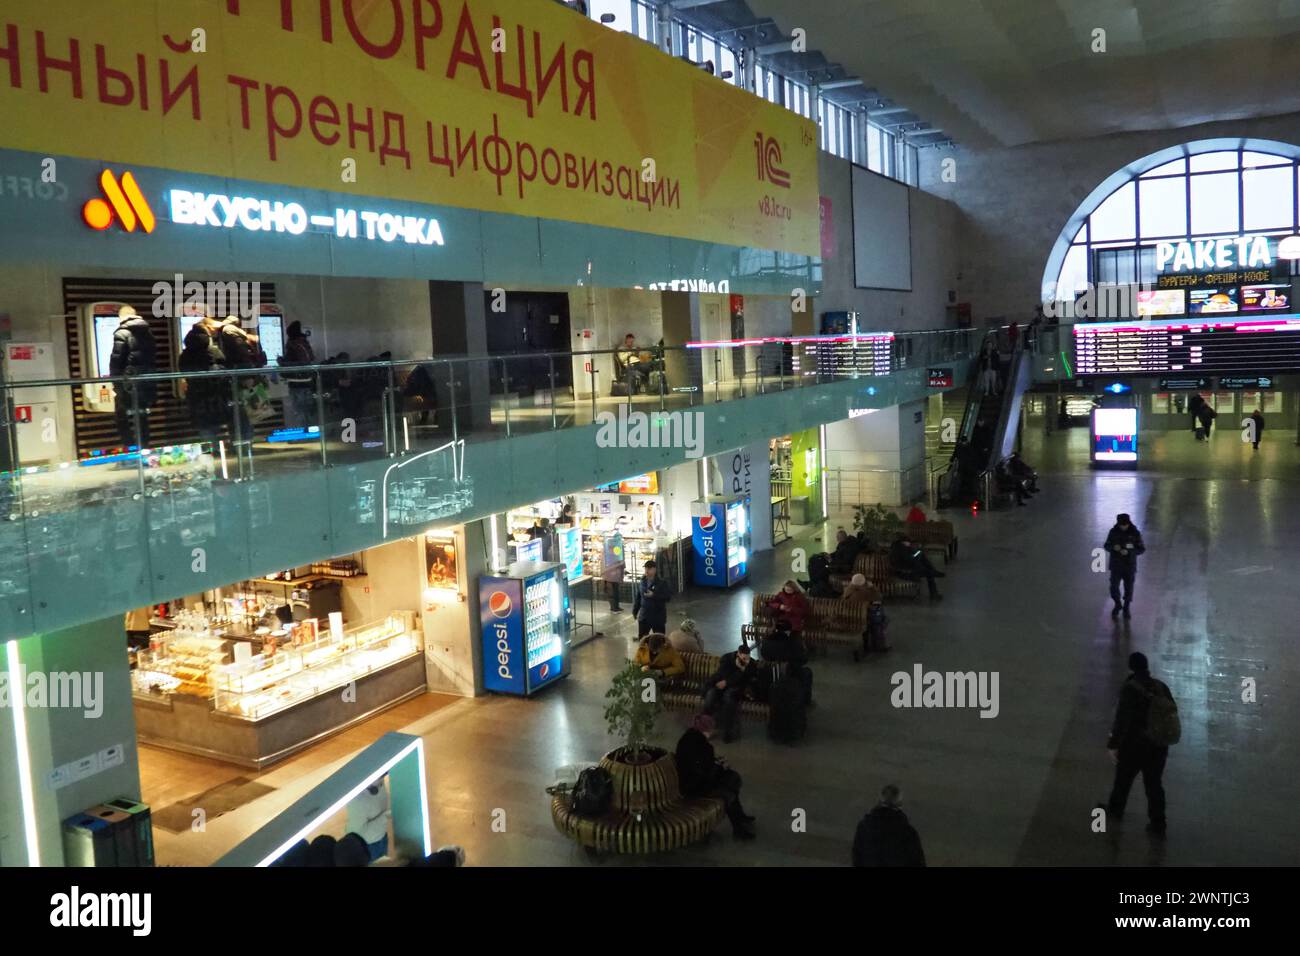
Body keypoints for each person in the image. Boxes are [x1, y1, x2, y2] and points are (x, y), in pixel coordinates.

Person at [1102, 652, 1174, 836]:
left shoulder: (1130, 689)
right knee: (1154, 785)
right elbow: (1171, 710)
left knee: (1123, 781)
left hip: (1134, 746)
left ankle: (1115, 810)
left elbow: (1121, 720)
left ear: (1131, 667)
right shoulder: (1161, 686)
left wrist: (1113, 743)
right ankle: (1158, 823)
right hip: (1158, 746)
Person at [674, 728, 755, 839]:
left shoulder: (694, 744)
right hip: (694, 789)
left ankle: (739, 819)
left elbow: (706, 769)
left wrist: (718, 766)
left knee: (731, 780)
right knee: (728, 792)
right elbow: (702, 776)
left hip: (699, 783)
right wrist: (718, 767)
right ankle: (738, 827)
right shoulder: (696, 748)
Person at [108, 305, 158, 448]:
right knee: (142, 418)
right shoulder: (147, 332)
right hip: (146, 383)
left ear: (121, 318)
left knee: (121, 416)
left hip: (128, 385)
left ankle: (130, 450)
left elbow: (116, 361)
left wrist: (115, 385)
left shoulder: (122, 333)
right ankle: (144, 449)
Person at [177, 322, 228, 444]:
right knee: (215, 421)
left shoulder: (185, 354)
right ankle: (218, 451)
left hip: (195, 392)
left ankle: (209, 449)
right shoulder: (213, 350)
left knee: (202, 425)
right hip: (214, 392)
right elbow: (224, 367)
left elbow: (183, 370)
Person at [852, 784, 925, 866]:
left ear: (879, 801)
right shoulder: (908, 832)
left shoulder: (864, 827)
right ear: (899, 804)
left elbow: (857, 857)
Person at [701, 643, 757, 743]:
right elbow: (722, 674)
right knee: (710, 697)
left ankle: (727, 732)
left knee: (729, 700)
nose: (746, 661)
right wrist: (736, 675)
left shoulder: (751, 664)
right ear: (738, 654)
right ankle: (705, 728)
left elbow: (747, 679)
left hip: (735, 689)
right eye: (744, 658)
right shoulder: (727, 658)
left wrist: (742, 671)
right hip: (720, 685)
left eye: (748, 658)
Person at [1103, 512, 1145, 619]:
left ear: (1128, 523)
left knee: (1129, 588)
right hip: (1116, 566)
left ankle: (1126, 607)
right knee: (1113, 587)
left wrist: (1130, 552)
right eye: (1122, 525)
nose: (1124, 527)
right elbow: (1106, 545)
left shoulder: (1135, 533)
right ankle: (1117, 604)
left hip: (1129, 566)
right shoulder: (1113, 532)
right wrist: (1113, 548)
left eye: (1125, 525)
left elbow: (1141, 549)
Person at [280, 320, 317, 428]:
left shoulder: (292, 344)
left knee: (299, 409)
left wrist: (281, 361)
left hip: (295, 381)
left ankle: (303, 431)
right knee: (307, 408)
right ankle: (311, 430)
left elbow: (290, 362)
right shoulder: (304, 342)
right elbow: (311, 358)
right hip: (308, 380)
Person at [346, 776, 391, 862]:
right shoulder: (356, 800)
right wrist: (386, 816)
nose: (381, 781)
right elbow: (361, 834)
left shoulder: (379, 782)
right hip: (368, 846)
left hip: (381, 837)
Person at [889, 533, 944, 601]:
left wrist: (915, 553)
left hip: (907, 570)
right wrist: (916, 555)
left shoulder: (899, 547)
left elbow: (909, 559)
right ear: (904, 542)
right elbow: (909, 560)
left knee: (922, 556)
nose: (910, 544)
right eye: (909, 542)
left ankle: (932, 572)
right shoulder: (901, 549)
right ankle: (934, 592)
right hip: (905, 572)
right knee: (929, 573)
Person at [632, 559, 672, 637]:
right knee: (643, 640)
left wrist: (654, 595)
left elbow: (668, 597)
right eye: (646, 569)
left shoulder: (662, 582)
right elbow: (639, 597)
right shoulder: (642, 581)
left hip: (657, 617)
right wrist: (635, 610)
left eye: (649, 569)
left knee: (659, 641)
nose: (647, 571)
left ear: (654, 570)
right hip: (644, 616)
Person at [401, 361, 440, 427]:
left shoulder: (419, 371)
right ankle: (429, 418)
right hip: (426, 387)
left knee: (428, 401)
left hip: (424, 387)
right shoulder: (421, 372)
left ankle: (426, 418)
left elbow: (412, 383)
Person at [602, 535, 625, 612]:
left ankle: (616, 607)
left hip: (615, 576)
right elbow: (607, 566)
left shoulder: (617, 550)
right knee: (612, 593)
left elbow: (621, 561)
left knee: (616, 592)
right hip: (609, 576)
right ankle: (613, 608)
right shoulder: (606, 553)